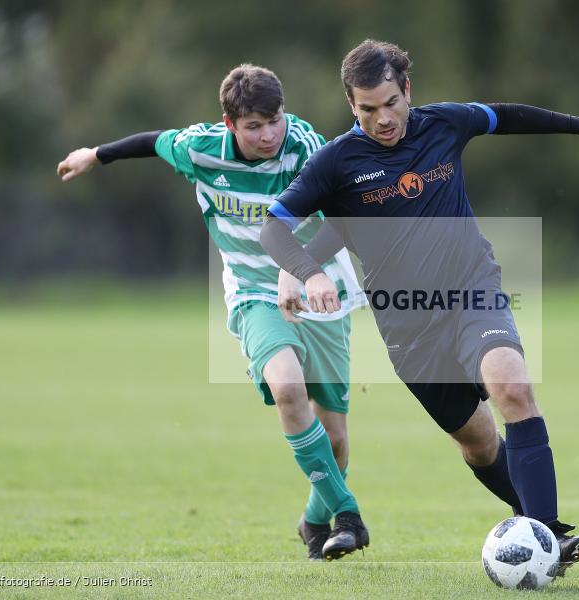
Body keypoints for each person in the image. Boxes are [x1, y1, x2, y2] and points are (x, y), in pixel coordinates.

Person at [260, 39, 579, 576]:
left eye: (391, 102)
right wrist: (308, 270)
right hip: (407, 327)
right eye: (368, 109)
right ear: (352, 104)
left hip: (471, 291)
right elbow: (274, 227)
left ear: (407, 89)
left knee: (512, 387)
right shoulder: (337, 162)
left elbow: (507, 116)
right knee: (479, 442)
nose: (383, 118)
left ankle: (548, 534)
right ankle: (532, 518)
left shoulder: (445, 124)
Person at [56, 64, 370, 561]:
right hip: (253, 292)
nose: (268, 135)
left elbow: (339, 217)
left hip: (320, 289)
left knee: (334, 438)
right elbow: (155, 141)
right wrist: (96, 154)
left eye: (275, 121)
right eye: (253, 126)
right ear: (230, 125)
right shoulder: (200, 148)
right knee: (288, 388)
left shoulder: (305, 146)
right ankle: (348, 516)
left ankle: (315, 522)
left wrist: (298, 267)